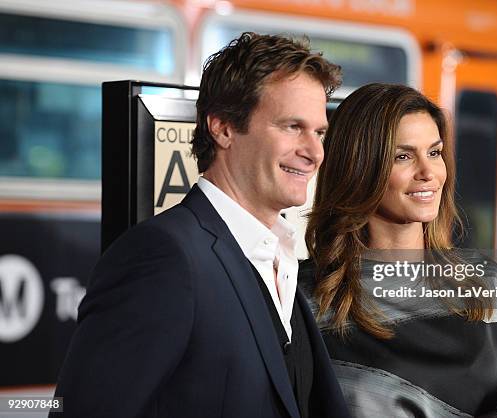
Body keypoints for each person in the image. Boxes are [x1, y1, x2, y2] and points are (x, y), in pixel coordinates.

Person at [53, 32, 350, 418]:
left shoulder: (282, 258)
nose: (314, 152)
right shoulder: (163, 256)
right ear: (223, 127)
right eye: (292, 127)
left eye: (319, 132)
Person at [300, 83, 497, 417]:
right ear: (359, 168)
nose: (429, 172)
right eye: (403, 156)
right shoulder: (306, 294)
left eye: (434, 152)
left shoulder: (484, 283)